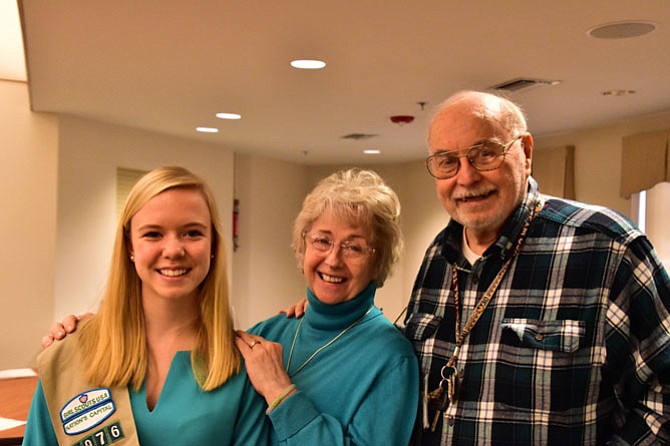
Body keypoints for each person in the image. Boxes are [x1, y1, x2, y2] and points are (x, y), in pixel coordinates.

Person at [41, 168, 420, 445]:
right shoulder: (268, 333)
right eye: (322, 240)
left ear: (379, 260)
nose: (333, 260)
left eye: (354, 247)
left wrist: (281, 393)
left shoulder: (390, 357)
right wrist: (84, 335)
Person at [404, 90, 670, 444]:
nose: (466, 178)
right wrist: (320, 314)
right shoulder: (437, 257)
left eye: (485, 153)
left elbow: (663, 399)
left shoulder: (606, 247)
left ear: (526, 153)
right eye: (447, 161)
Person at [25, 166, 269, 445]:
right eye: (153, 234)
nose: (174, 250)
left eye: (192, 233)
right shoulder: (72, 353)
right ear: (129, 245)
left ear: (212, 243)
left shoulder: (242, 367)